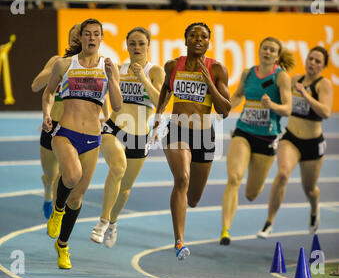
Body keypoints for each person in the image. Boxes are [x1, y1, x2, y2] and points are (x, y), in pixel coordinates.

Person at [42, 18, 122, 269]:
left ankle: (62, 246)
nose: (91, 38)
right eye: (87, 34)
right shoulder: (65, 64)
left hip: (92, 138)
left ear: (101, 38)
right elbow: (48, 92)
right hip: (65, 131)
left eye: (96, 34)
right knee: (72, 175)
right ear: (81, 37)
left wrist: (113, 78)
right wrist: (46, 113)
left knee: (76, 200)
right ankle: (57, 208)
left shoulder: (109, 67)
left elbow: (117, 106)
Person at [152, 22, 231, 260]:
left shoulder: (216, 69)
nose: (198, 39)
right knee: (182, 178)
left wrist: (210, 84)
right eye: (193, 35)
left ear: (209, 42)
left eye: (204, 36)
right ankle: (179, 241)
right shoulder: (173, 65)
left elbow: (225, 110)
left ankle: (183, 209)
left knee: (193, 198)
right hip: (177, 130)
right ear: (185, 39)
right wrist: (159, 113)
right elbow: (166, 88)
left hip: (205, 136)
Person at [90, 27, 165, 246]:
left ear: (148, 46)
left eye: (141, 43)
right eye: (132, 43)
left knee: (125, 188)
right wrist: (101, 116)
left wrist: (142, 77)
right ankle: (102, 223)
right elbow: (102, 94)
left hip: (140, 137)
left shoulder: (155, 71)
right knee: (117, 168)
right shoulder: (118, 68)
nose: (137, 47)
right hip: (114, 128)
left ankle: (113, 223)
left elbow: (160, 101)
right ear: (127, 45)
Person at [220, 37, 296, 245]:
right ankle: (225, 229)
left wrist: (272, 105)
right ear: (259, 50)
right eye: (265, 48)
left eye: (272, 50)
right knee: (234, 178)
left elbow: (288, 109)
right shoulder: (248, 73)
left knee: (252, 193)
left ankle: (252, 190)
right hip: (243, 132)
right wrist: (225, 108)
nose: (267, 52)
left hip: (267, 137)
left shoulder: (281, 78)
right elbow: (236, 96)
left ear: (277, 56)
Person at [257, 46, 333, 238]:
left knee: (309, 189)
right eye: (311, 59)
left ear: (323, 66)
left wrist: (305, 94)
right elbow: (281, 99)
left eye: (318, 61)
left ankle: (314, 209)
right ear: (306, 59)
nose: (313, 63)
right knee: (282, 174)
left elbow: (325, 112)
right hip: (291, 138)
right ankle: (269, 223)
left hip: (313, 143)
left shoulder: (323, 84)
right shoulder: (295, 80)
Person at [31, 24, 81, 219]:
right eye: (73, 36)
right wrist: (58, 67)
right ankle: (48, 194)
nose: (77, 39)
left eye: (80, 36)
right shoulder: (57, 61)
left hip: (73, 128)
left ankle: (60, 210)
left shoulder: (90, 65)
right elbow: (35, 86)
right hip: (52, 126)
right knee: (50, 175)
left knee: (66, 174)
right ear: (68, 40)